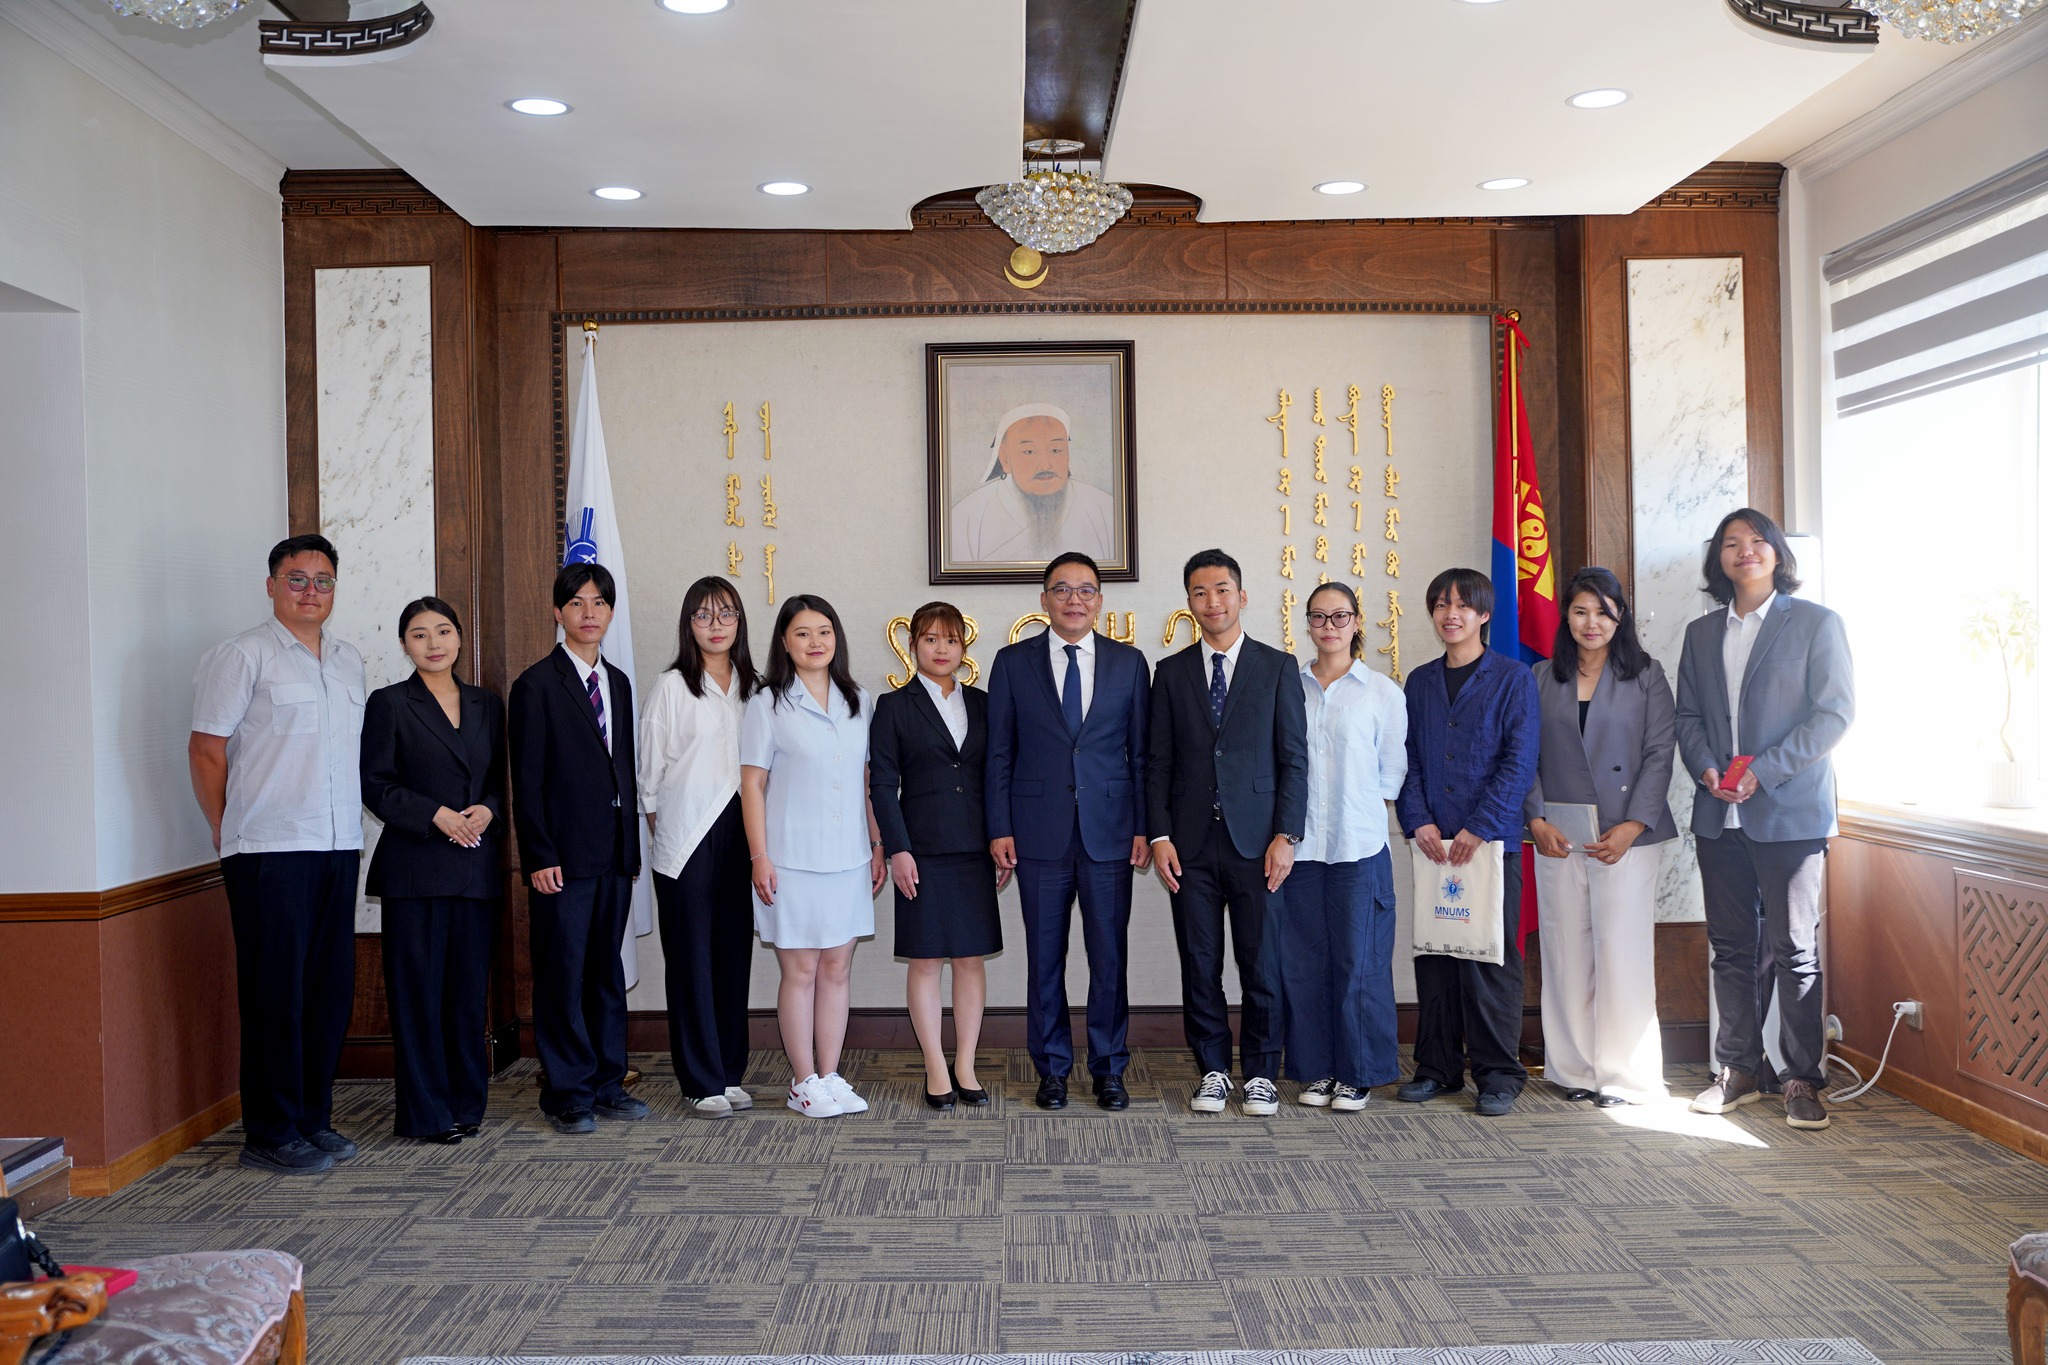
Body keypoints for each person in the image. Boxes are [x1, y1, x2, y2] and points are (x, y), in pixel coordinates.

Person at [189, 533, 366, 1175]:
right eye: (297, 579)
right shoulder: (242, 656)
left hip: (337, 845)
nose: (310, 591)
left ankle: (311, 1121)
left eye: (323, 581)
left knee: (326, 992)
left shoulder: (348, 661)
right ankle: (269, 1131)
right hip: (269, 849)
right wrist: (224, 825)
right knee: (275, 994)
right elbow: (206, 749)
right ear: (271, 586)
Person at [1677, 508, 1854, 1130]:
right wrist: (1705, 768)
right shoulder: (1701, 633)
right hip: (1718, 815)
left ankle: (1802, 1078)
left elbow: (1833, 715)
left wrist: (1765, 771)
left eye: (1757, 541)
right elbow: (1688, 717)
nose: (1744, 551)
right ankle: (1739, 1070)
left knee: (1794, 949)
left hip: (1790, 813)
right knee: (1730, 949)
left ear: (1777, 553)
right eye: (1731, 543)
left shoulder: (1816, 623)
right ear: (1718, 559)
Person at [986, 551, 1152, 1111]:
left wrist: (1144, 827)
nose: (1074, 599)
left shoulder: (1130, 663)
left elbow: (1141, 756)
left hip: (1111, 833)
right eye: (1062, 589)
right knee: (1044, 959)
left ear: (1100, 600)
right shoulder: (1013, 662)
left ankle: (1109, 1068)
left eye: (1085, 590)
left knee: (1109, 959)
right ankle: (1052, 1069)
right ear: (1044, 600)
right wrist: (999, 827)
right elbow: (1000, 753)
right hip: (1037, 834)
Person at [1148, 548, 1308, 1118]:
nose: (1211, 601)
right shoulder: (1170, 673)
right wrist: (1160, 836)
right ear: (1188, 602)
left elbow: (1294, 760)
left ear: (1241, 596)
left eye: (1221, 590)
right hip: (1189, 845)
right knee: (1200, 962)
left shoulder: (1278, 666)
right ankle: (1213, 1070)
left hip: (1258, 843)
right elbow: (1158, 763)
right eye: (1199, 592)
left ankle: (1262, 1072)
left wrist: (1287, 835)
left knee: (1261, 963)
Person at [1524, 568, 1677, 1108]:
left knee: (1621, 952)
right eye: (1581, 611)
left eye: (1604, 612)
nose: (1592, 623)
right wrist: (1535, 820)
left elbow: (1660, 753)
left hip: (1624, 835)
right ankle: (1573, 1069)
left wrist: (1634, 825)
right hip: (1558, 835)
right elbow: (1523, 754)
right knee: (1565, 951)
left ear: (1620, 617)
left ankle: (1625, 1076)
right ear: (1566, 616)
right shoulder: (1541, 676)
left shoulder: (1647, 674)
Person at [1394, 568, 1540, 1118]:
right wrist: (1418, 821)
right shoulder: (1419, 682)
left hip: (1490, 846)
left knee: (1488, 959)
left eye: (1461, 605)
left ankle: (1498, 1073)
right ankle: (1437, 1068)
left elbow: (1520, 760)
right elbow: (1407, 758)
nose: (1450, 614)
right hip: (1434, 844)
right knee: (1436, 956)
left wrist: (1480, 826)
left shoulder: (1513, 678)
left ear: (1484, 615)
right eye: (1440, 604)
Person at [508, 562, 648, 1135]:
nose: (589, 613)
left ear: (611, 612)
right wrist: (539, 855)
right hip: (561, 860)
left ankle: (608, 1083)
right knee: (562, 974)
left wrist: (630, 850)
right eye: (577, 603)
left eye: (599, 603)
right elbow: (527, 781)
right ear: (558, 612)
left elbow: (624, 773)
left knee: (605, 972)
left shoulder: (619, 682)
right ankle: (567, 1092)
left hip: (613, 856)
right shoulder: (536, 685)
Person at [359, 596, 504, 1144]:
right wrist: (434, 815)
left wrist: (488, 809)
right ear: (404, 645)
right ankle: (425, 1114)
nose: (434, 643)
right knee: (418, 996)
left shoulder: (487, 703)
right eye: (419, 634)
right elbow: (375, 784)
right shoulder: (390, 703)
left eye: (443, 631)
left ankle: (466, 1104)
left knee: (466, 996)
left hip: (474, 867)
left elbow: (499, 779)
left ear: (460, 637)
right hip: (415, 871)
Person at [742, 594, 886, 1119]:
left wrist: (876, 844)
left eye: (824, 631)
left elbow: (867, 782)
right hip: (790, 859)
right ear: (785, 642)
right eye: (802, 633)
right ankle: (802, 1080)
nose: (815, 642)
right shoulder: (766, 704)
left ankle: (829, 1074)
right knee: (801, 970)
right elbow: (752, 785)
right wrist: (759, 856)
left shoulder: (859, 699)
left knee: (837, 968)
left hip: (848, 858)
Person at [870, 602, 1005, 1110]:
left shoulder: (985, 704)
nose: (941, 649)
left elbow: (998, 775)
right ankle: (934, 1065)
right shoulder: (893, 706)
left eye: (951, 640)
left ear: (964, 648)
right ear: (913, 647)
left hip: (975, 848)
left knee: (970, 959)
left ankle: (966, 1064)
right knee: (925, 960)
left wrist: (1002, 837)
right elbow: (883, 784)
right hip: (921, 850)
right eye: (930, 639)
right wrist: (898, 849)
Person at [1279, 582, 1407, 1112]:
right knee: (1304, 963)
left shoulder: (1382, 692)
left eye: (1340, 616)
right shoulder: (1289, 686)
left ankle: (1358, 1073)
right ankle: (1317, 1069)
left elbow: (1391, 772)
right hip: (1302, 847)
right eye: (1318, 617)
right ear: (1306, 624)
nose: (1329, 627)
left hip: (1359, 847)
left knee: (1360, 963)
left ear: (1357, 621)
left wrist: (1359, 809)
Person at [638, 577, 760, 1120]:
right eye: (704, 615)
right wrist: (664, 825)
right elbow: (648, 775)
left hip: (745, 833)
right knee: (691, 960)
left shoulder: (757, 687)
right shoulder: (671, 686)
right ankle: (699, 1079)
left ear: (739, 622)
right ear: (689, 623)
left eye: (726, 614)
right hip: (686, 837)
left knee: (733, 956)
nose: (716, 625)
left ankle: (729, 1072)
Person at [950, 405, 1118, 564]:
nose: (1045, 465)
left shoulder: (1104, 508)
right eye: (1029, 452)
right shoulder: (966, 517)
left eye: (1055, 450)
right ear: (1005, 458)